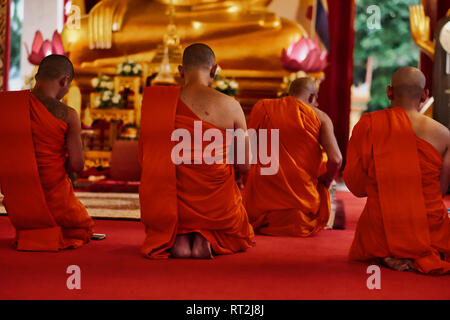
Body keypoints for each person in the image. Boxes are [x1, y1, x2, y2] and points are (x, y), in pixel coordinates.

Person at [139, 43, 254, 259]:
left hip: (170, 202)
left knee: (172, 186)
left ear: (181, 71)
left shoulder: (157, 103)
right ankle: (206, 235)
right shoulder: (231, 105)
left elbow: (146, 158)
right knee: (226, 188)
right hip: (217, 205)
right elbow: (244, 164)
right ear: (214, 70)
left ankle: (180, 236)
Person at [344, 67, 450, 274]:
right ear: (425, 95)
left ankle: (391, 250)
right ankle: (418, 251)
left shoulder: (368, 126)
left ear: (389, 92)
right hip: (428, 231)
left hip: (382, 230)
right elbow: (440, 191)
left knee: (377, 220)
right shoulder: (444, 134)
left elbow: (355, 186)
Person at [0, 54, 96, 251]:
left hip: (18, 204)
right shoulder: (68, 115)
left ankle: (31, 229)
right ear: (64, 81)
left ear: (37, 77)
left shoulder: (6, 106)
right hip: (56, 204)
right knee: (82, 227)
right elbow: (77, 165)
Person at [243, 77, 342, 236]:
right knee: (320, 191)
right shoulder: (320, 117)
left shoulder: (262, 107)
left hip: (261, 204)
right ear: (312, 97)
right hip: (300, 208)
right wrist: (326, 181)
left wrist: (244, 180)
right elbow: (336, 159)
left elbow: (246, 149)